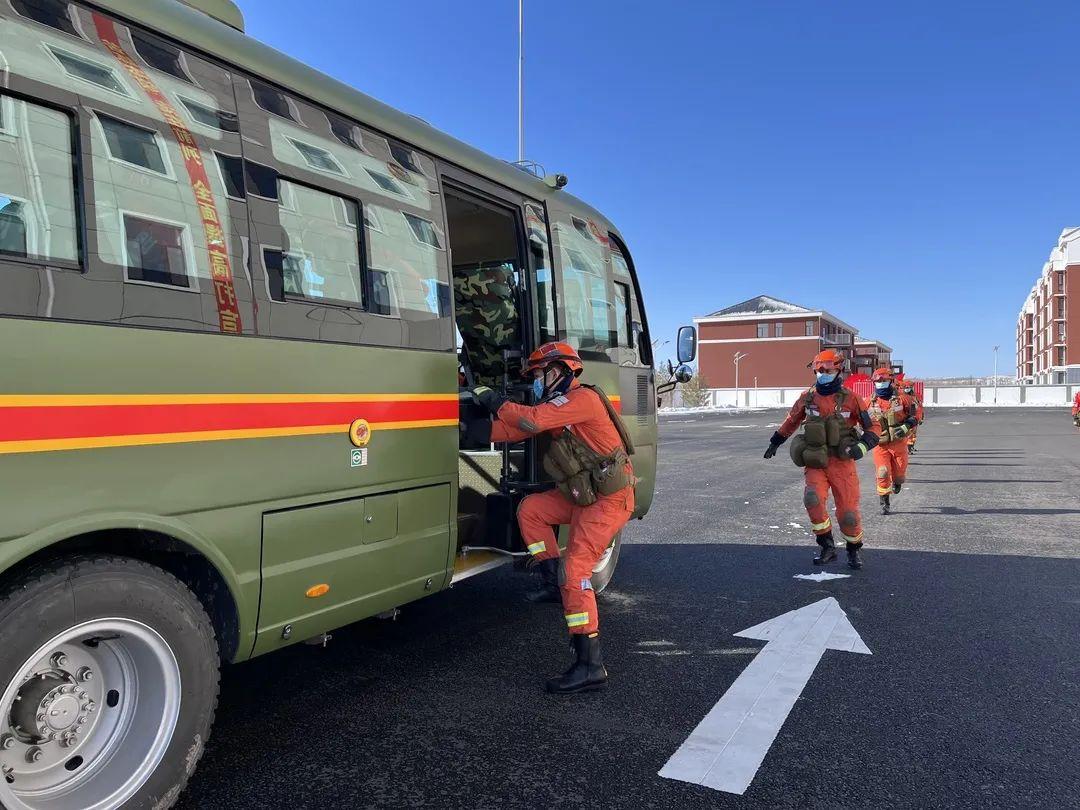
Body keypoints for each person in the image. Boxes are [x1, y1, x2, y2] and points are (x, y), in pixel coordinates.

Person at [461, 342, 635, 694]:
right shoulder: (560, 406)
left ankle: (590, 665)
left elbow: (530, 419)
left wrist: (494, 401)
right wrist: (470, 431)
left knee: (576, 573)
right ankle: (549, 579)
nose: (537, 382)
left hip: (607, 501)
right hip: (585, 495)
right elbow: (519, 430)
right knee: (532, 510)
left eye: (540, 375)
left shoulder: (582, 400)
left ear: (560, 371)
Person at [763, 349, 879, 569]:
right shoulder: (807, 397)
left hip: (842, 462)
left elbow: (873, 426)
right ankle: (826, 546)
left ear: (839, 370)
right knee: (812, 499)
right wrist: (775, 441)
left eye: (827, 370)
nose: (822, 374)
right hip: (816, 460)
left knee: (848, 514)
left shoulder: (851, 398)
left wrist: (863, 446)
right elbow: (791, 421)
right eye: (818, 370)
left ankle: (854, 549)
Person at [869, 368, 919, 514]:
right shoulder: (869, 402)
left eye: (883, 381)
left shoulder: (903, 399)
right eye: (877, 381)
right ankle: (884, 501)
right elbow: (861, 420)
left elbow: (915, 416)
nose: (880, 384)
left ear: (890, 381)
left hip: (899, 443)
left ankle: (897, 482)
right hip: (881, 445)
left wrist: (906, 426)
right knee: (882, 472)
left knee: (899, 473)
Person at [898, 375, 925, 453]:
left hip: (914, 416)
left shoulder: (916, 396)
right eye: (905, 387)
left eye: (908, 387)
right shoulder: (901, 396)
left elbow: (920, 407)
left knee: (913, 433)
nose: (907, 388)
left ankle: (911, 446)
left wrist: (921, 417)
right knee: (906, 433)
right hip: (905, 417)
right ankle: (907, 448)